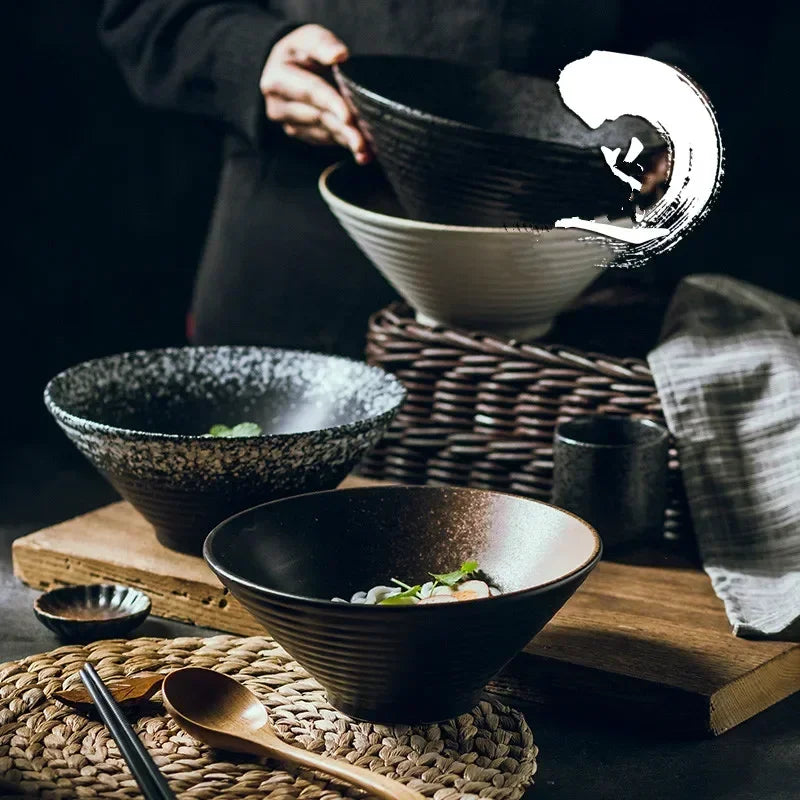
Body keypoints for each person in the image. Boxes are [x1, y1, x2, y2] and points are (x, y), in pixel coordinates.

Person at [98, 1, 778, 358]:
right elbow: (146, 12)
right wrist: (250, 57)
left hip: (567, 291)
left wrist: (668, 100)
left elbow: (725, 26)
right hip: (297, 280)